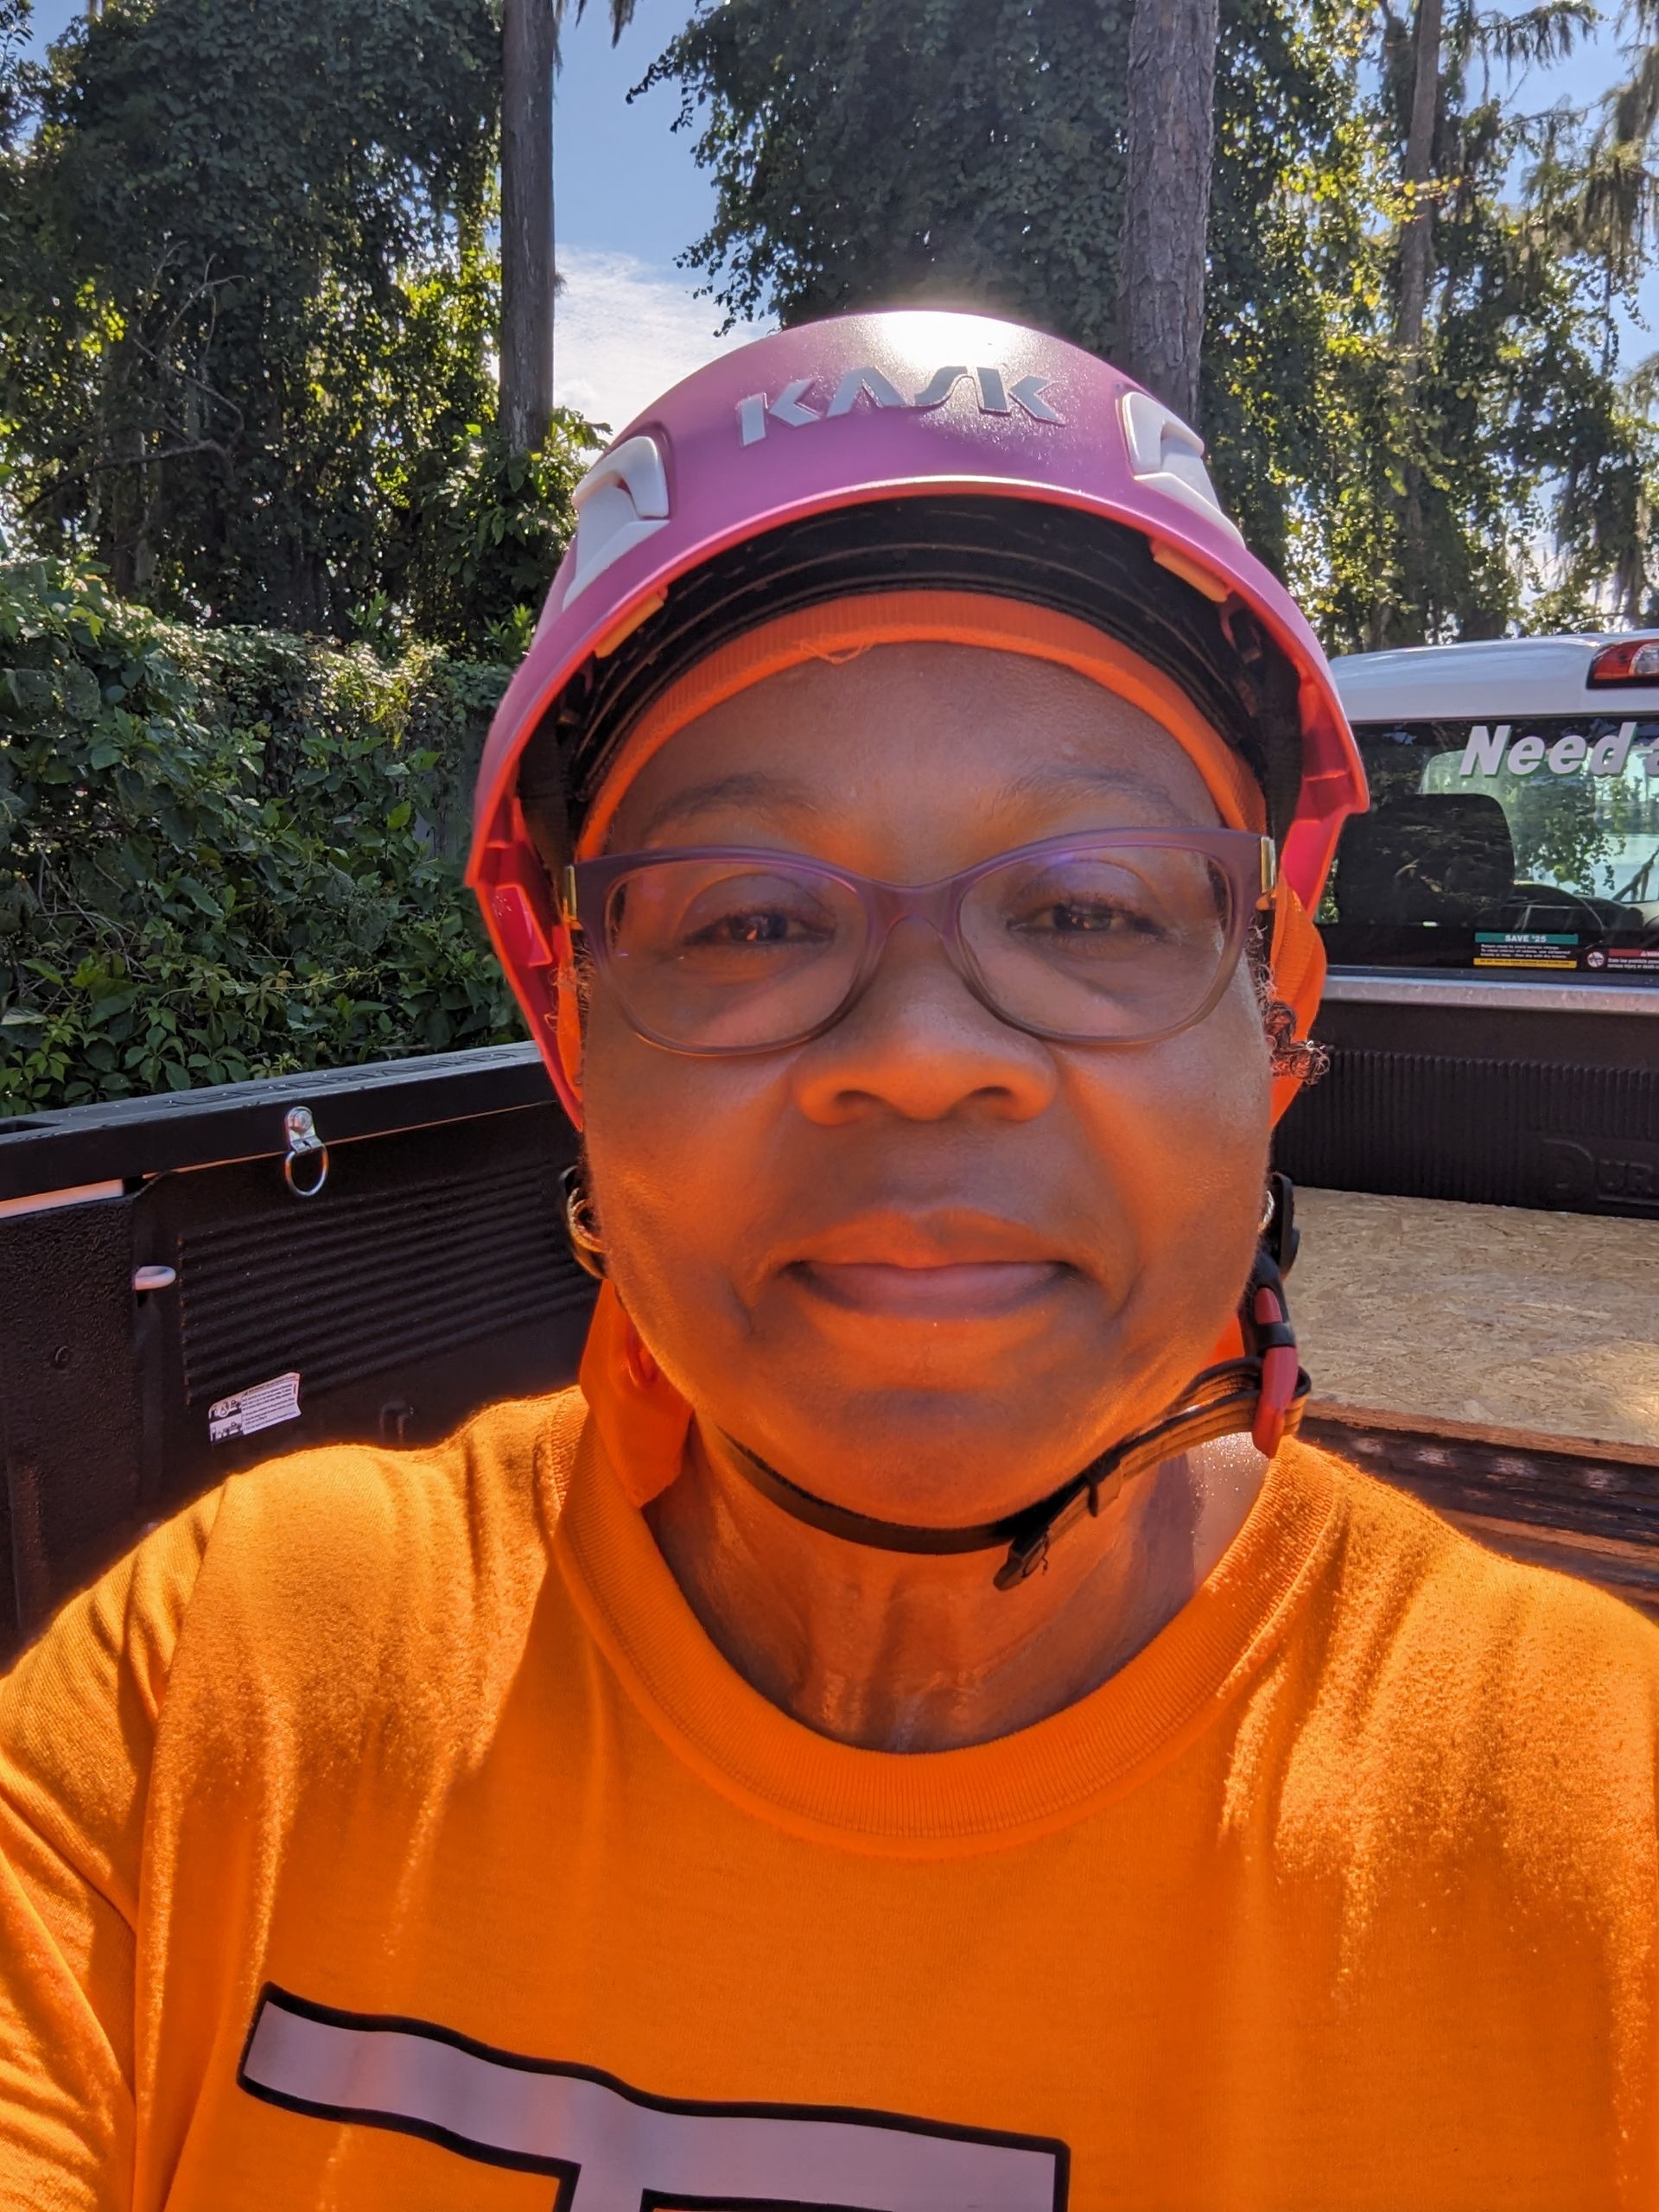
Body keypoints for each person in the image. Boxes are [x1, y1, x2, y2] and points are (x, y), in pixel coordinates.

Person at [1, 310, 1656, 2212]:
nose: (920, 1049)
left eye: (1090, 902)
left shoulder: (1596, 1842)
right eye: (751, 917)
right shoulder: (218, 1705)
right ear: (573, 1032)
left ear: (1275, 1012)